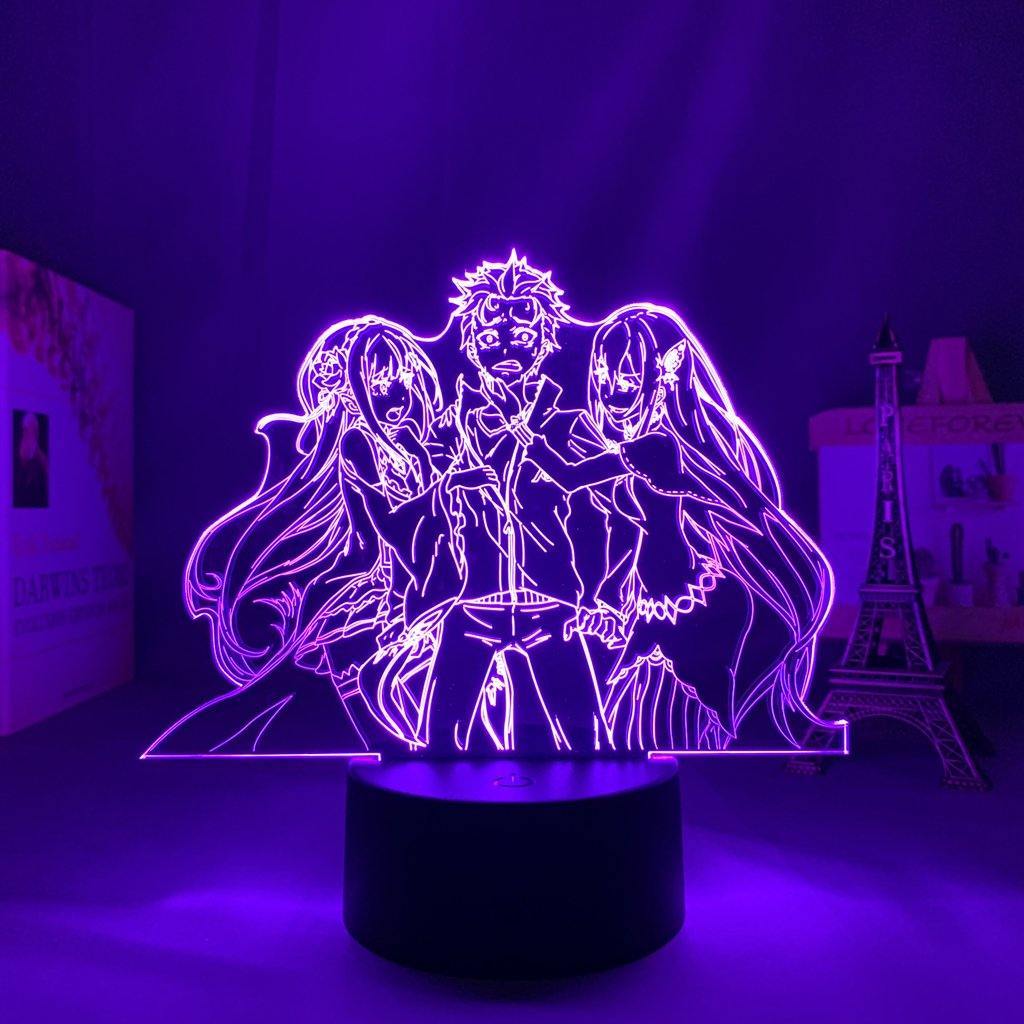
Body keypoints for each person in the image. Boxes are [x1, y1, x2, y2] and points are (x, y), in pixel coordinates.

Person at [514, 305, 839, 751]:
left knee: (665, 712)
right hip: (654, 596)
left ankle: (683, 776)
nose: (611, 393)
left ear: (666, 374)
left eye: (627, 380)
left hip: (680, 600)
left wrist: (530, 435)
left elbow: (570, 477)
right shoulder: (663, 444)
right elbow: (634, 523)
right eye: (604, 379)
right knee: (647, 713)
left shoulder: (656, 445)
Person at [147, 318, 478, 755]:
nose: (398, 400)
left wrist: (439, 473)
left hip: (395, 584)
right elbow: (389, 525)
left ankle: (398, 751)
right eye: (381, 388)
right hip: (364, 589)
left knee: (304, 692)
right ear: (352, 393)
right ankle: (396, 757)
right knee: (311, 692)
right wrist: (446, 485)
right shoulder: (358, 443)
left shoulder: (404, 448)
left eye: (404, 385)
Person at [417, 251, 614, 754]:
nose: (506, 348)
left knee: (585, 740)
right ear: (470, 343)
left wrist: (597, 593)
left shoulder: (567, 423)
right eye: (489, 339)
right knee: (440, 741)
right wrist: (451, 483)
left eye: (523, 337)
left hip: (552, 603)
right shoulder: (450, 424)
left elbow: (606, 513)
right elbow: (418, 505)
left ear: (545, 340)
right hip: (472, 602)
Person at [14, 412, 49, 508]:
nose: (28, 434)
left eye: (32, 431)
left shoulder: (41, 456)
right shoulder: (19, 452)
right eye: (25, 430)